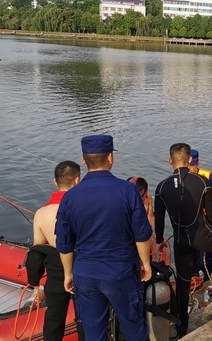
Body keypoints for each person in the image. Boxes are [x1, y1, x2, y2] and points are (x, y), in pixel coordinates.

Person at [55, 135, 153, 341]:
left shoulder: (70, 197)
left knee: (94, 334)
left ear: (83, 160)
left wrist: (68, 273)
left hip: (85, 273)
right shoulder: (128, 190)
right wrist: (145, 263)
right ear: (110, 158)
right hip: (121, 270)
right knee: (135, 329)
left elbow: (64, 243)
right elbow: (142, 234)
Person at [154, 143, 212, 337]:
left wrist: (159, 240)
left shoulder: (161, 187)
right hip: (202, 234)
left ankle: (182, 328)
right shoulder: (202, 181)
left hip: (180, 241)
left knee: (183, 284)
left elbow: (159, 221)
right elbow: (210, 216)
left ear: (170, 161)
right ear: (189, 160)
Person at [30, 161, 81, 341]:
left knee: (53, 320)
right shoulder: (83, 208)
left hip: (55, 273)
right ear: (77, 180)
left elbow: (37, 251)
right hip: (82, 270)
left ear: (55, 182)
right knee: (86, 319)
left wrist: (34, 280)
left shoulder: (41, 213)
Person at [188, 149, 212, 276]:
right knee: (193, 247)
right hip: (192, 218)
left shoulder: (208, 176)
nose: (190, 168)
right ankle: (194, 272)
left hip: (207, 216)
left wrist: (207, 203)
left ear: (197, 164)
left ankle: (207, 272)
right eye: (188, 165)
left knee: (207, 247)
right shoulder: (183, 176)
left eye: (192, 165)